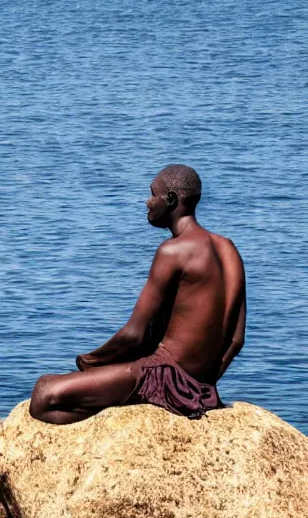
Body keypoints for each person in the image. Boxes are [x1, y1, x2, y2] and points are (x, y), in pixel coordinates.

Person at [30, 164, 246, 424]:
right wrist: (202, 386)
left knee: (44, 392)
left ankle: (106, 425)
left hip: (164, 376)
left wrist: (89, 360)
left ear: (171, 199)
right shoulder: (228, 249)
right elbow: (236, 340)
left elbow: (134, 334)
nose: (147, 201)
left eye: (153, 193)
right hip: (201, 384)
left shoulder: (173, 251)